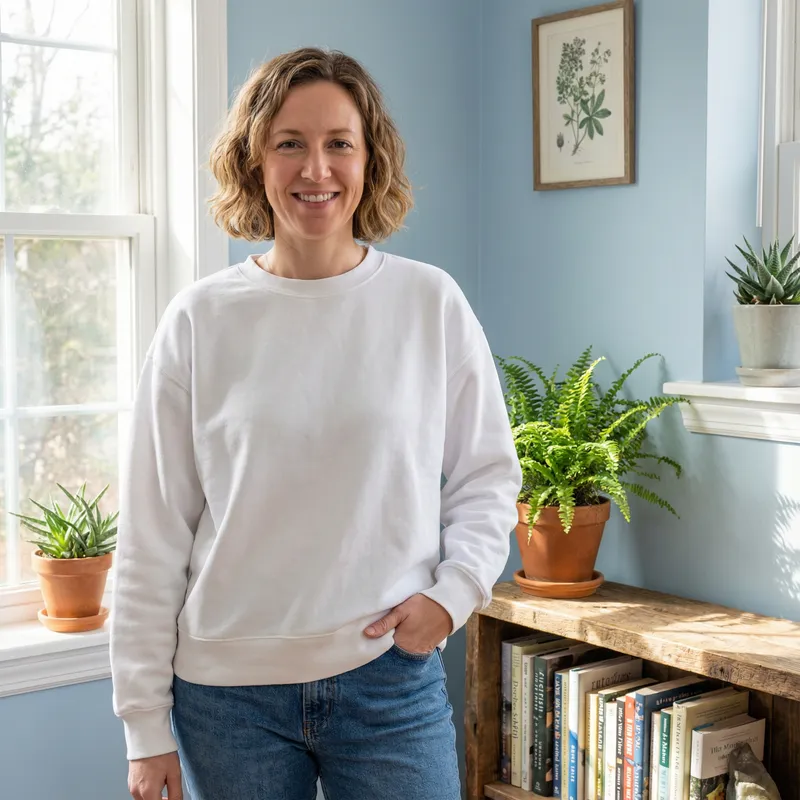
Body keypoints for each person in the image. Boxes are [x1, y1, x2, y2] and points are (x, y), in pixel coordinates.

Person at [110, 46, 522, 800]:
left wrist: (454, 592)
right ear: (253, 160)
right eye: (289, 143)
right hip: (226, 700)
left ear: (371, 160)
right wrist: (143, 726)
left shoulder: (429, 304)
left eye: (339, 144)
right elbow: (152, 533)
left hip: (388, 684)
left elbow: (486, 477)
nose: (316, 170)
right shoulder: (199, 321)